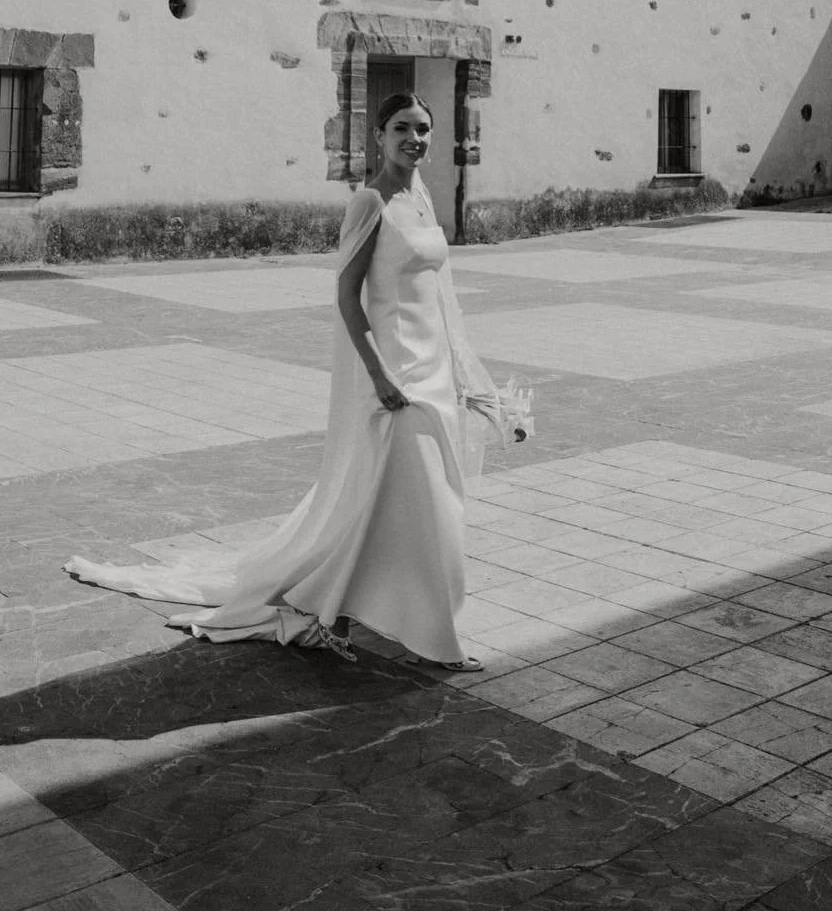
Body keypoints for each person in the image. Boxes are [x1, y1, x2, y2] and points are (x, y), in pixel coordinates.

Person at [65, 91, 528, 669]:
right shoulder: (370, 202)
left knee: (409, 495)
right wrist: (380, 374)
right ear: (379, 136)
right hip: (394, 372)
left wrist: (462, 372)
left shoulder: (424, 197)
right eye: (403, 128)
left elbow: (439, 296)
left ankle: (377, 601)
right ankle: (425, 633)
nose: (415, 139)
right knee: (417, 495)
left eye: (424, 129)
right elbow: (346, 297)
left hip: (432, 369)